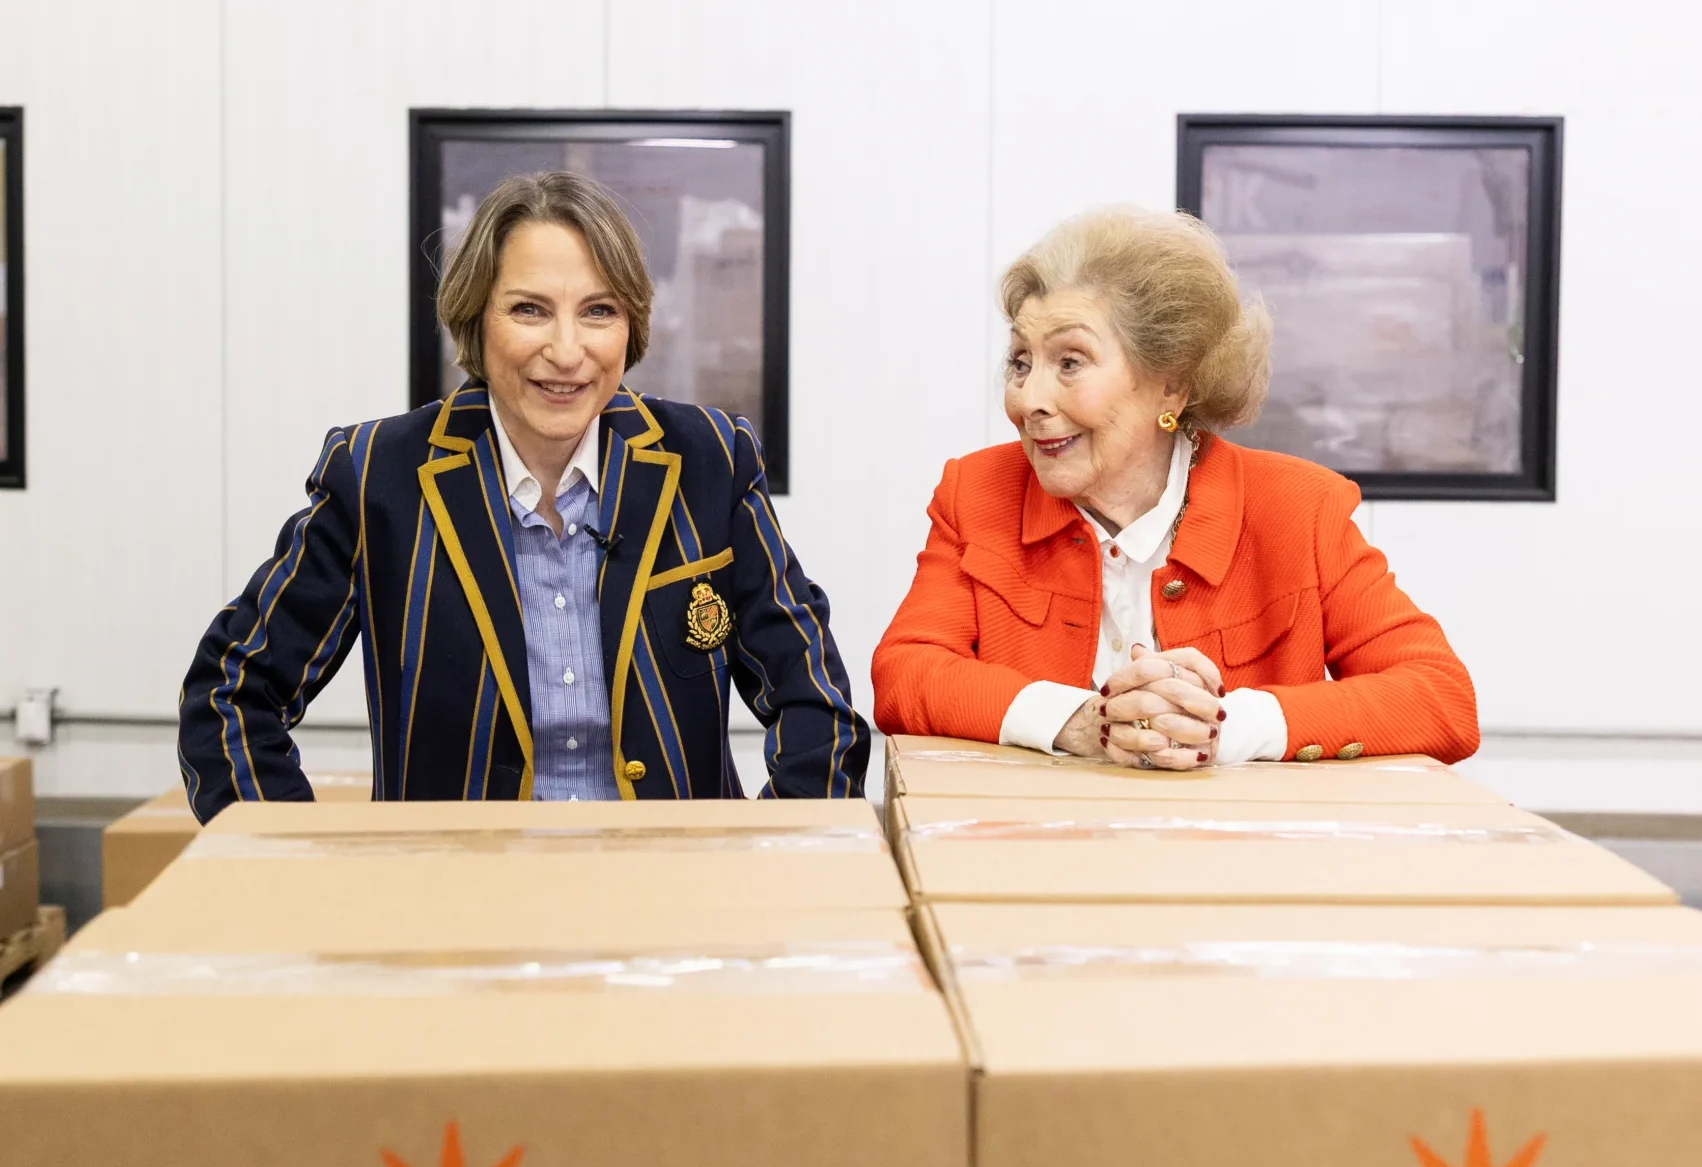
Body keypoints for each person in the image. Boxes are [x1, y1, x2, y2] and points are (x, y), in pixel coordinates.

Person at [180, 172, 866, 817]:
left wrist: (767, 863)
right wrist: (298, 871)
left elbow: (818, 705)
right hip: (462, 912)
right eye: (530, 310)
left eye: (598, 311)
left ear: (632, 327)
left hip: (673, 906)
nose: (567, 351)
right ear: (476, 317)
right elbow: (229, 694)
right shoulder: (377, 477)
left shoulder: (708, 461)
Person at [872, 207, 1478, 769]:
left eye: (1070, 363)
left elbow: (1439, 698)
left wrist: (1218, 725)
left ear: (1172, 387)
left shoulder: (1298, 508)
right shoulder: (977, 492)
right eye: (1022, 361)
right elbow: (906, 672)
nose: (1029, 401)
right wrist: (1083, 722)